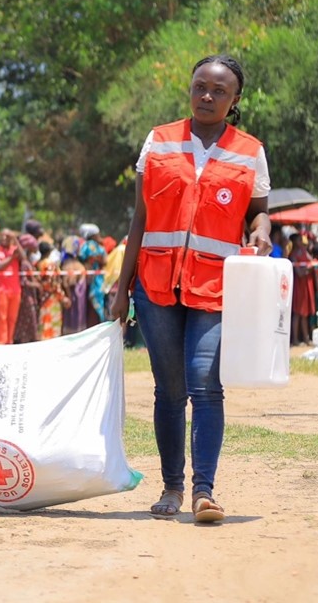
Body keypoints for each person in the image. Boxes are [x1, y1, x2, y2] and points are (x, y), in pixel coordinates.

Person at [109, 54, 272, 525]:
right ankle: (171, 486)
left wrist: (261, 230)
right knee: (169, 390)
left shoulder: (249, 150)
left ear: (234, 99)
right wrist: (122, 291)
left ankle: (204, 491)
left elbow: (257, 212)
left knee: (205, 383)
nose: (207, 95)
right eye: (200, 86)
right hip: (155, 284)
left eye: (219, 91)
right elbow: (139, 219)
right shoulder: (159, 140)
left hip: (215, 287)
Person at [0, 228, 24, 344]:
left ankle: (10, 341)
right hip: (2, 289)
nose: (5, 238)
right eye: (3, 236)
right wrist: (11, 258)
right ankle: (2, 341)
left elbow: (24, 257)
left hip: (15, 289)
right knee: (2, 317)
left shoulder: (14, 249)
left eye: (7, 236)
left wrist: (15, 240)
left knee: (13, 318)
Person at [288, 231, 316, 346]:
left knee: (305, 313)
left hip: (306, 285)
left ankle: (306, 337)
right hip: (299, 286)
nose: (301, 242)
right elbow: (300, 272)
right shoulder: (293, 255)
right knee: (297, 313)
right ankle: (295, 339)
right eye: (299, 240)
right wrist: (309, 268)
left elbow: (312, 262)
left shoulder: (304, 252)